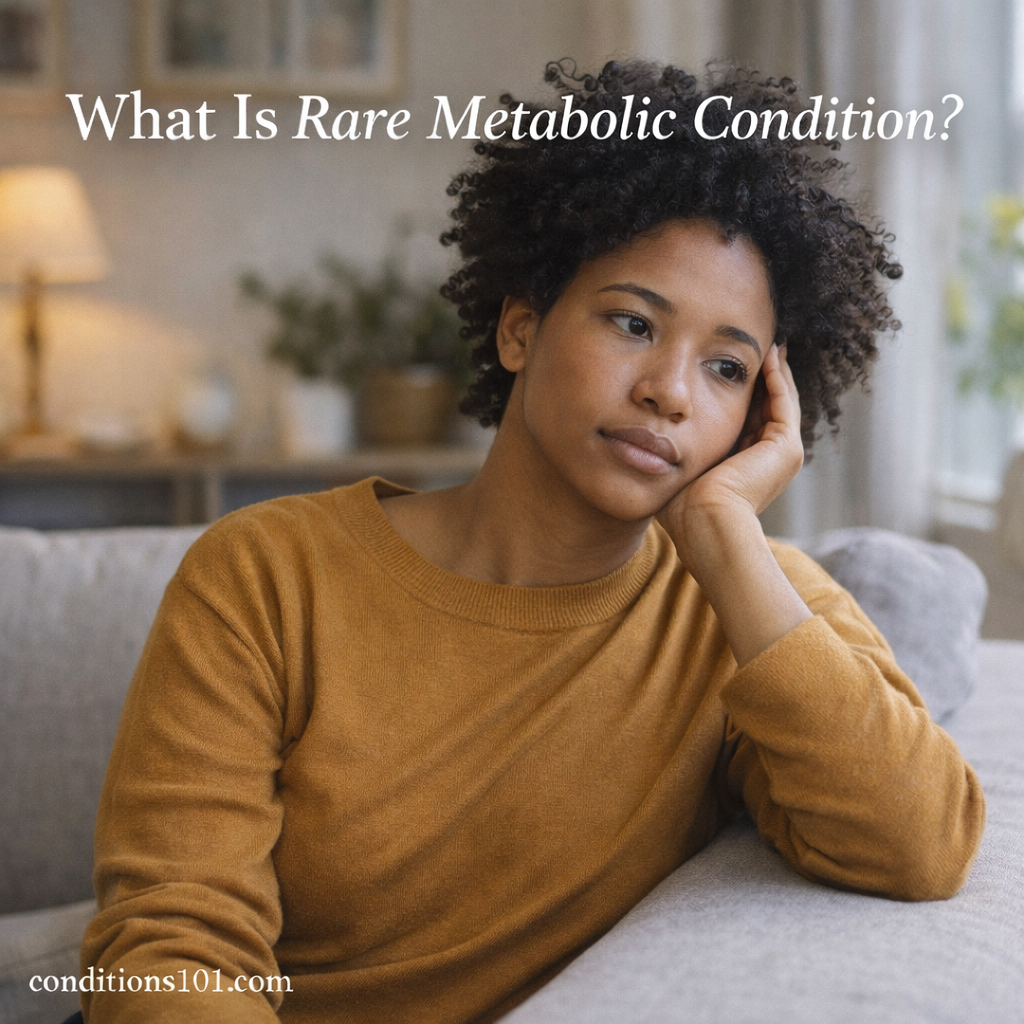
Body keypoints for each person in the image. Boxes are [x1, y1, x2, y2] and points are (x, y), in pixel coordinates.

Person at [74, 60, 984, 1024]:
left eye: (726, 367)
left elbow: (919, 844)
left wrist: (723, 533)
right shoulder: (266, 574)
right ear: (518, 328)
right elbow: (169, 946)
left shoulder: (754, 607)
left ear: (764, 411)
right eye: (634, 322)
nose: (671, 391)